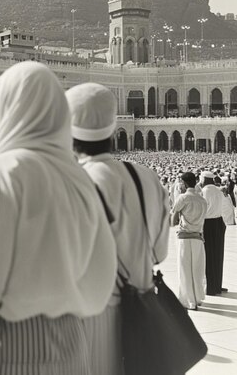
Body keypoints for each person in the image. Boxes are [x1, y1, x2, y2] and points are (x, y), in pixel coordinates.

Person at [0, 63, 117, 375]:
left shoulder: (4, 170)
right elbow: (101, 277)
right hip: (73, 343)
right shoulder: (77, 175)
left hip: (11, 345)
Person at [66, 82, 170, 375]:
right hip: (144, 313)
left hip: (91, 320)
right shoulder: (147, 178)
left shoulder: (72, 183)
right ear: (115, 128)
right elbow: (159, 253)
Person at [171, 172, 208, 310]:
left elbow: (173, 220)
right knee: (197, 269)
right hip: (198, 237)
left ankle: (188, 300)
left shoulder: (183, 198)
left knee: (184, 269)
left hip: (184, 237)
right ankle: (198, 298)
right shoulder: (202, 200)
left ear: (184, 183)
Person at [200, 171, 227, 296]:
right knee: (218, 254)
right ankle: (217, 285)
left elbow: (203, 209)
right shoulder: (218, 190)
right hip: (219, 222)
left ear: (204, 179)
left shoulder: (205, 191)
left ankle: (210, 287)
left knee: (208, 255)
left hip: (208, 224)